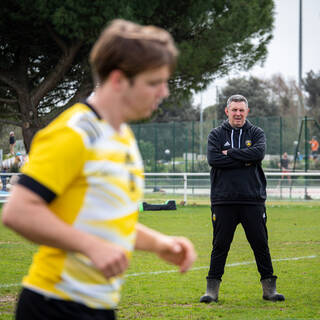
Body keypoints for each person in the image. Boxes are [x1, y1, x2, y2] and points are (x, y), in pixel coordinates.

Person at [2, 19, 196, 320]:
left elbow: (108, 220)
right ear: (118, 80)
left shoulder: (122, 136)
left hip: (99, 308)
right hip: (54, 306)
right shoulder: (73, 133)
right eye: (154, 82)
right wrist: (91, 246)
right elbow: (18, 212)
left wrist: (160, 244)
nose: (165, 92)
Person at [200, 94, 284, 303]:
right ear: (227, 111)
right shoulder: (216, 134)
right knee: (220, 245)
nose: (238, 113)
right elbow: (213, 159)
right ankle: (212, 291)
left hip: (252, 199)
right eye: (234, 110)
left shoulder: (256, 133)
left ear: (247, 112)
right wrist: (244, 158)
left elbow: (258, 154)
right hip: (223, 200)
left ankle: (269, 289)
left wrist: (229, 154)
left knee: (260, 244)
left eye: (241, 110)